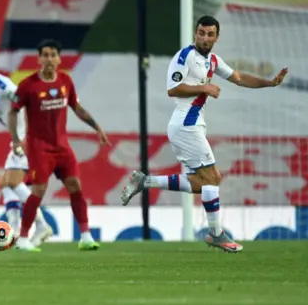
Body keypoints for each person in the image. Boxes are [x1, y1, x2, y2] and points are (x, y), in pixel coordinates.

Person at [121, 15, 288, 252]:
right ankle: (216, 234)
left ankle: (145, 181)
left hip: (192, 124)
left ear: (216, 37)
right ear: (195, 33)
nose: (205, 37)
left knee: (201, 183)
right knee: (213, 179)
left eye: (210, 34)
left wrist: (269, 83)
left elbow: (239, 78)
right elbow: (172, 89)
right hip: (186, 124)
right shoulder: (185, 56)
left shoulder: (212, 60)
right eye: (201, 32)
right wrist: (204, 87)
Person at [9, 39, 111, 252]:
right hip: (39, 148)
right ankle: (24, 238)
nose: (49, 58)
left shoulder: (65, 81)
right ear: (38, 59)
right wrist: (16, 140)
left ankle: (85, 237)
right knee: (38, 190)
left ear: (59, 58)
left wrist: (97, 127)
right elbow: (13, 110)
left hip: (62, 147)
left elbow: (76, 107)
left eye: (53, 54)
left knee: (75, 185)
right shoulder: (28, 85)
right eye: (44, 54)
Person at [0, 47, 52, 245]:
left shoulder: (1, 84)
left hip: (28, 136)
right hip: (18, 136)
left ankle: (41, 225)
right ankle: (14, 229)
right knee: (5, 182)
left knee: (12, 181)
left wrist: (23, 137)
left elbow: (26, 101)